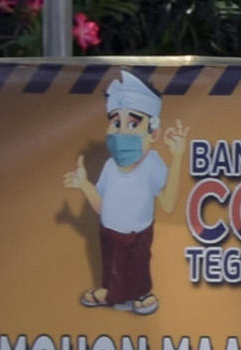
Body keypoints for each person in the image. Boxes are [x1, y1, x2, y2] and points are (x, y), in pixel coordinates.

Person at [66, 67, 166, 312]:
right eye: (116, 123)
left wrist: (179, 155)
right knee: (111, 264)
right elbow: (103, 206)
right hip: (108, 231)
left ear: (153, 134)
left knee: (137, 265)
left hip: (138, 232)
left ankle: (141, 294)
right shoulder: (110, 167)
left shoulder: (153, 164)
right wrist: (84, 185)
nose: (121, 132)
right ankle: (110, 291)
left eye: (133, 124)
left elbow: (169, 201)